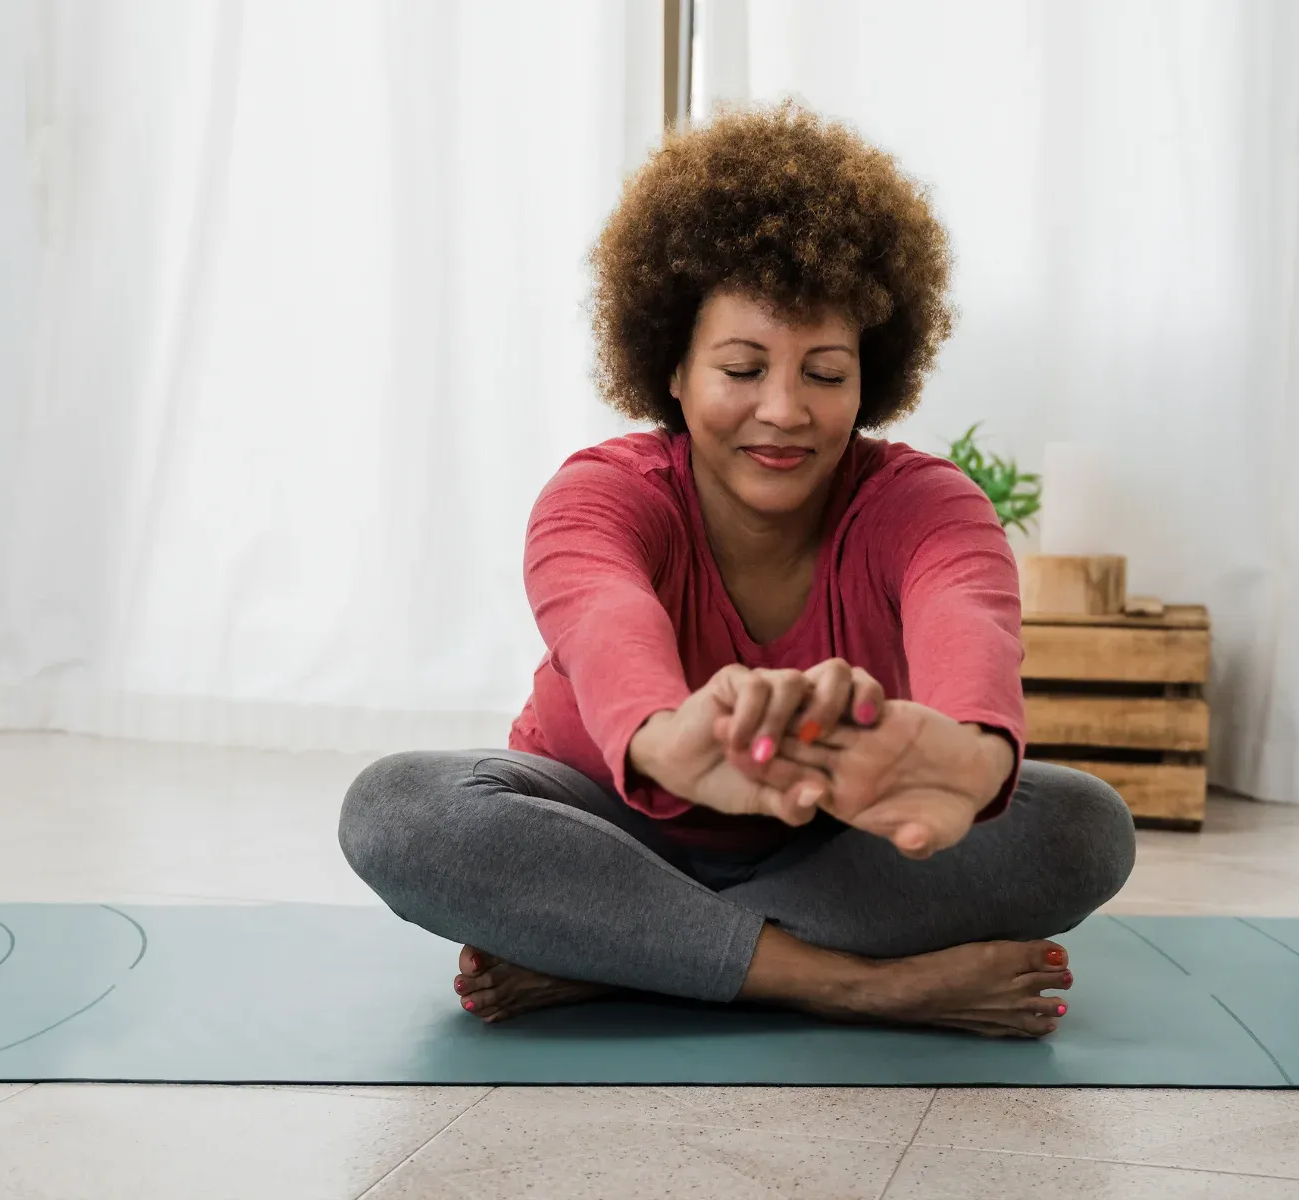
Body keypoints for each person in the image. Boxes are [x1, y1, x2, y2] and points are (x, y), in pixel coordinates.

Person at [339, 101, 1134, 1039]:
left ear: (869, 381)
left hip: (836, 846)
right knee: (397, 809)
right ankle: (840, 982)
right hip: (608, 835)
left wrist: (970, 753)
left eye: (826, 374)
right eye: (743, 368)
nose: (785, 410)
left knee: (1084, 823)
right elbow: (603, 620)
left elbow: (968, 615)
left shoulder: (928, 505)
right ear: (672, 368)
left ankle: (624, 955)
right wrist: (670, 737)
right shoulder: (601, 494)